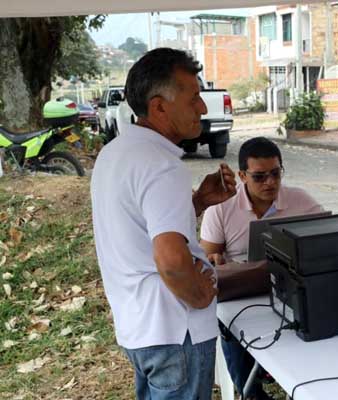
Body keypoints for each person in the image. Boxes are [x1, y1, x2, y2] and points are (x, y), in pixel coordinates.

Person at [91, 48, 237, 400]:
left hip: (141, 327)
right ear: (159, 107)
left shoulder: (116, 154)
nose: (202, 108)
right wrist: (200, 296)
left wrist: (199, 201)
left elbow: (138, 227)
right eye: (194, 98)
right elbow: (170, 259)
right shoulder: (162, 165)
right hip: (175, 331)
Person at [200, 136, 322, 399]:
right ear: (242, 175)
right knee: (230, 324)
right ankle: (251, 392)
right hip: (241, 290)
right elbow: (207, 256)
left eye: (276, 174)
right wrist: (216, 261)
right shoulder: (220, 208)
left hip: (289, 288)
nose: (270, 182)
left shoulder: (300, 201)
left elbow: (327, 234)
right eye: (260, 176)